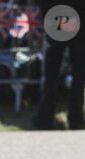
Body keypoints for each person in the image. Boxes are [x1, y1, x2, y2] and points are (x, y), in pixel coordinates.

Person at [32, 0, 85, 130]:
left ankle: (45, 117)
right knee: (79, 72)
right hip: (80, 16)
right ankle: (76, 117)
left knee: (51, 72)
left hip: (56, 16)